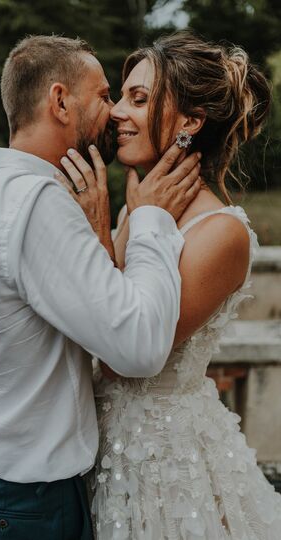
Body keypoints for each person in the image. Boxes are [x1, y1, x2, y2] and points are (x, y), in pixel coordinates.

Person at [0, 35, 202, 540]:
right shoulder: (38, 207)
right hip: (20, 494)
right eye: (102, 95)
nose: (113, 111)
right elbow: (138, 348)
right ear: (59, 102)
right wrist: (152, 219)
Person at [62, 33, 281, 539]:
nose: (117, 111)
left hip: (166, 469)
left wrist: (99, 231)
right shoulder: (135, 211)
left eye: (138, 99)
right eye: (121, 96)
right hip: (99, 449)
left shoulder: (221, 232)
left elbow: (128, 353)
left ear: (190, 122)